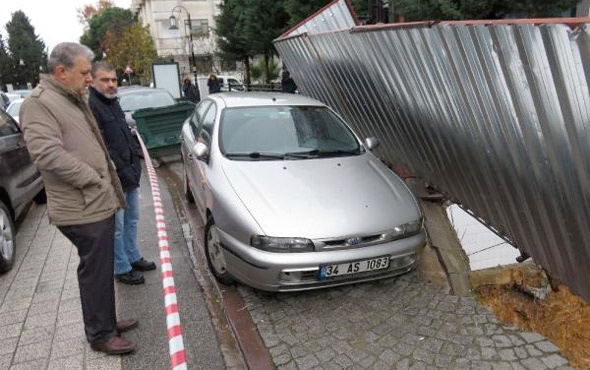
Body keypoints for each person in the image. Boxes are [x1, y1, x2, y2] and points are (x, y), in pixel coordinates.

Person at [19, 42, 137, 355]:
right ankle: (100, 335)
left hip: (96, 201)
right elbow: (47, 154)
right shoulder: (39, 103)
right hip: (82, 206)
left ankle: (107, 321)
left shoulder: (70, 97)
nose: (89, 78)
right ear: (61, 72)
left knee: (102, 267)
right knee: (95, 271)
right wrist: (93, 179)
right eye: (84, 72)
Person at [88, 61, 157, 285]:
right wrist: (124, 169)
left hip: (129, 175)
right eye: (105, 80)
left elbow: (124, 135)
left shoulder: (113, 103)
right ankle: (121, 267)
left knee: (132, 220)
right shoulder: (92, 106)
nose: (110, 84)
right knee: (116, 227)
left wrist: (136, 158)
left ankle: (133, 256)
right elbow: (102, 145)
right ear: (92, 80)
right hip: (113, 179)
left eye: (114, 80)